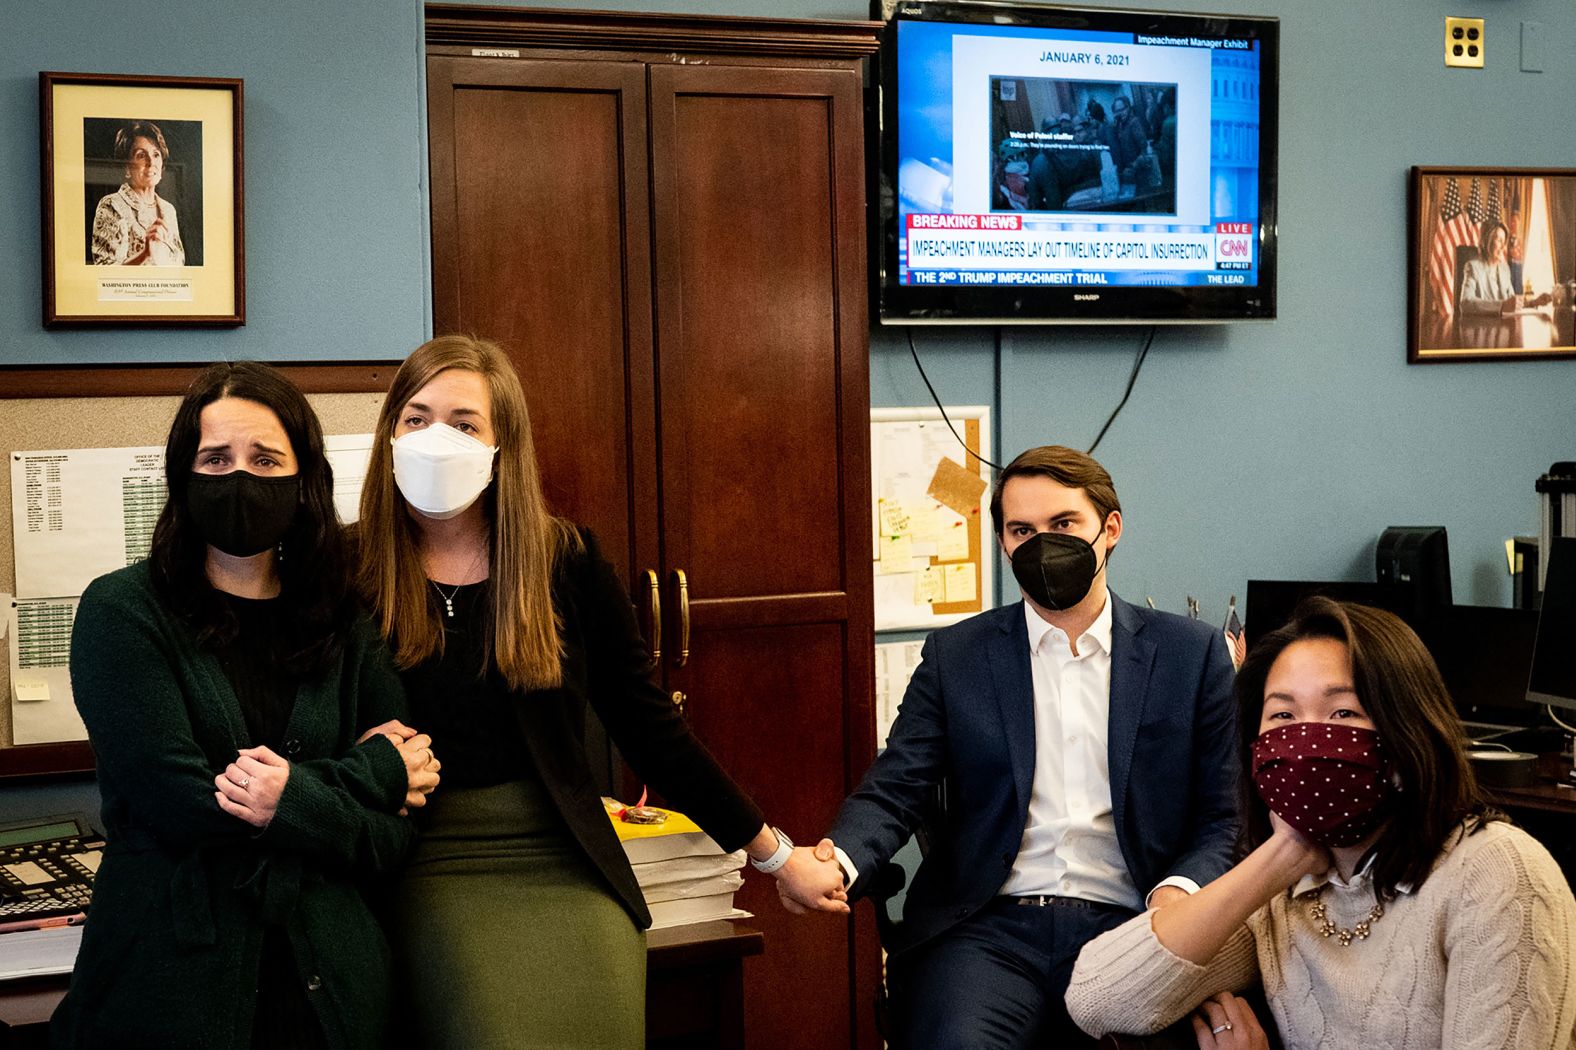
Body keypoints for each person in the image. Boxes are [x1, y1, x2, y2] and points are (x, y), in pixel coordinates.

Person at [358, 335, 842, 1047]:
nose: (437, 439)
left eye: (464, 423)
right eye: (417, 417)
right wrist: (360, 753)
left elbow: (652, 729)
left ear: (502, 447)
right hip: (427, 862)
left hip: (565, 855)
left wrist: (776, 856)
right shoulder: (346, 569)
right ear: (390, 434)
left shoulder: (567, 560)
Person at [782, 445, 1241, 1048]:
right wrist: (839, 858)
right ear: (1002, 542)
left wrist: (1177, 898)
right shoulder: (957, 656)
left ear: (1110, 528)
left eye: (1063, 525)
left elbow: (1224, 816)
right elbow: (897, 787)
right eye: (1021, 529)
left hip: (1135, 926)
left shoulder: (1192, 654)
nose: (1042, 544)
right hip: (988, 928)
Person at [53, 361, 440, 1049]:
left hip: (334, 986)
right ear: (181, 475)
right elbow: (176, 802)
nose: (239, 479)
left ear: (303, 483)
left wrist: (289, 798)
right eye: (215, 458)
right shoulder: (122, 612)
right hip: (170, 981)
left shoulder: (345, 617)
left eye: (265, 459)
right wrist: (369, 776)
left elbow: (396, 834)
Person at [1066, 597, 1576, 1049]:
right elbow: (1096, 999)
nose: (1308, 739)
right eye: (1283, 718)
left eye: (1343, 715)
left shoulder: (1498, 873)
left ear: (1407, 732)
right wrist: (1281, 855)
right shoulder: (1288, 890)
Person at [90, 120, 186, 266]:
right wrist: (145, 254)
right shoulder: (112, 205)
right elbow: (106, 272)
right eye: (141, 155)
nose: (151, 162)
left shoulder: (168, 210)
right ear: (126, 167)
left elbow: (179, 267)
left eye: (156, 154)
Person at [1460, 220, 1553, 315]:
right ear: (1486, 241)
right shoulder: (1473, 267)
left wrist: (1534, 302)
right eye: (1499, 240)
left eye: (1504, 242)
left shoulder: (1504, 269)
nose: (1504, 247)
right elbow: (1465, 303)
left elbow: (1512, 304)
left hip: (1504, 327)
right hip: (1483, 327)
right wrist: (1501, 306)